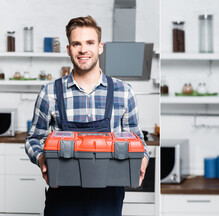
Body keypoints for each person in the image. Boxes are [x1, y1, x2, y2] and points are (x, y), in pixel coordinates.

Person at [25, 15, 149, 216]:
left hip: (108, 198)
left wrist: (142, 158)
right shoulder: (49, 92)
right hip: (62, 196)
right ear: (69, 49)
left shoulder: (123, 91)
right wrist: (41, 159)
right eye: (76, 44)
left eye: (90, 42)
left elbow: (137, 139)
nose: (83, 50)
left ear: (100, 47)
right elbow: (34, 139)